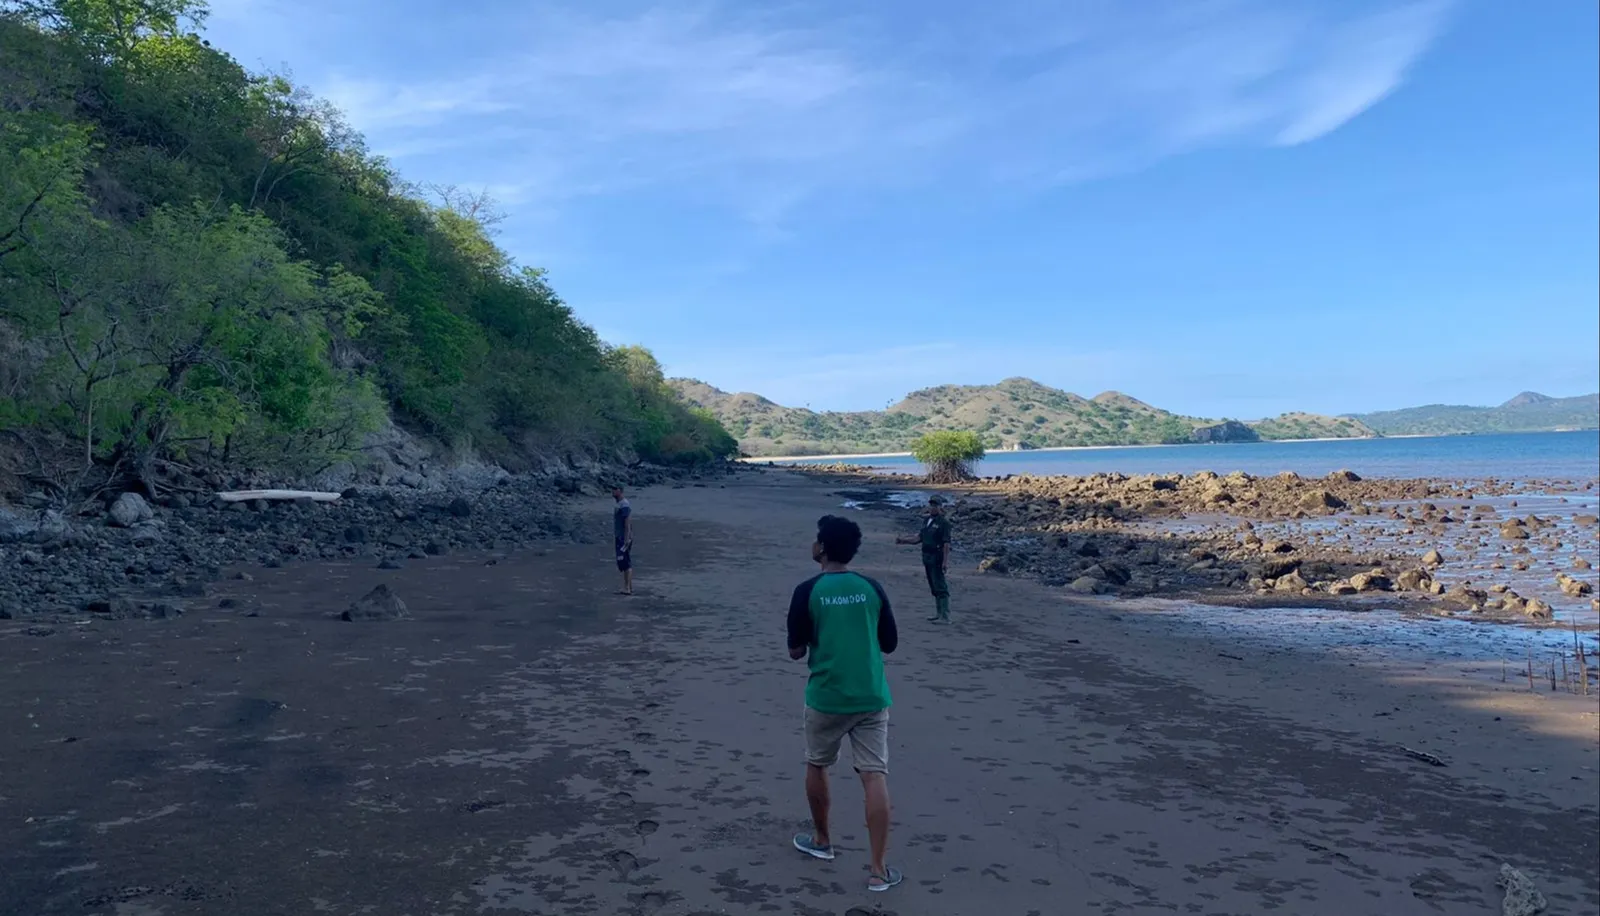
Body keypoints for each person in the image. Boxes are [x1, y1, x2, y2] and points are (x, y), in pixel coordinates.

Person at [786, 514, 902, 892]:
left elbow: (795, 650)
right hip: (870, 694)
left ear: (821, 548)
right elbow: (889, 644)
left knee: (817, 763)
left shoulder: (807, 591)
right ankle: (878, 869)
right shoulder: (871, 587)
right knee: (874, 774)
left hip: (827, 695)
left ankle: (822, 840)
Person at [896, 494, 952, 623]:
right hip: (926, 556)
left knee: (940, 585)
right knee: (933, 585)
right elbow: (918, 538)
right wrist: (903, 541)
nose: (932, 508)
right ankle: (939, 613)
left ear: (940, 507)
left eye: (935, 505)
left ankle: (945, 615)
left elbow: (946, 544)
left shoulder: (944, 523)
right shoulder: (926, 521)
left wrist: (945, 562)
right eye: (931, 505)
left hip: (937, 556)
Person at [612, 487, 633, 595]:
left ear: (620, 491)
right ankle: (628, 586)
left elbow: (627, 522)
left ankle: (627, 588)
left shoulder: (624, 504)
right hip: (620, 536)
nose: (613, 491)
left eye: (615, 489)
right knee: (623, 562)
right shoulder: (620, 504)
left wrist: (626, 538)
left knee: (625, 562)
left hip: (623, 537)